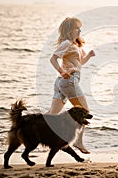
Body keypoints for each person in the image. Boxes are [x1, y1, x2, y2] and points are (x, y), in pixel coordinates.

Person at [48, 17, 95, 154]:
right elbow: (53, 58)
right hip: (69, 82)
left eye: (80, 28)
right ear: (69, 30)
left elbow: (79, 63)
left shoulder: (74, 45)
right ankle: (78, 142)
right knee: (84, 111)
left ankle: (32, 129)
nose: (79, 30)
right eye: (76, 28)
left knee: (52, 115)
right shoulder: (67, 43)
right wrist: (62, 71)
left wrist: (89, 56)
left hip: (62, 83)